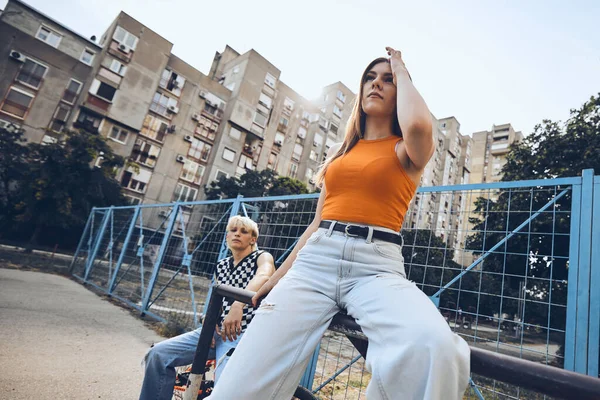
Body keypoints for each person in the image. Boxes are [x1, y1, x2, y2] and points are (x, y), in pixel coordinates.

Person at [208, 47, 470, 400]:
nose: (376, 83)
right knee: (238, 387)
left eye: (387, 80)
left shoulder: (406, 152)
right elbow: (317, 222)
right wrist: (275, 278)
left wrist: (401, 68)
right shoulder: (340, 153)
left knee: (433, 346)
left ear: (401, 92)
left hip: (375, 267)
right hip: (315, 263)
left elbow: (421, 125)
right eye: (370, 78)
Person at [138, 216, 275, 400]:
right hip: (215, 332)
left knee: (225, 388)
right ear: (227, 237)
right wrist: (208, 322)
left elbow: (265, 276)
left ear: (253, 239)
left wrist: (238, 303)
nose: (237, 234)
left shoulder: (261, 257)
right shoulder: (222, 265)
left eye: (243, 231)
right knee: (157, 355)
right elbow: (216, 302)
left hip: (242, 335)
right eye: (233, 230)